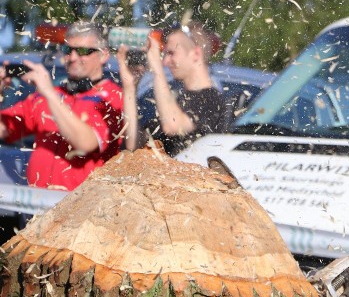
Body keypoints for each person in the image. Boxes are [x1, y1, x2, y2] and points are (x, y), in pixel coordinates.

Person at [0, 21, 124, 191]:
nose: (72, 58)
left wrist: (50, 93)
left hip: (81, 211)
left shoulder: (113, 96)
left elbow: (86, 143)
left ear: (103, 55)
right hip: (36, 209)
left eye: (82, 51)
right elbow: (3, 129)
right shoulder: (48, 94)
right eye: (67, 50)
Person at [118, 21, 225, 157]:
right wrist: (130, 87)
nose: (165, 61)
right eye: (164, 54)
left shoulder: (212, 99)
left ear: (196, 54)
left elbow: (173, 126)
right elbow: (133, 146)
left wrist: (156, 68)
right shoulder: (175, 101)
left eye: (171, 53)